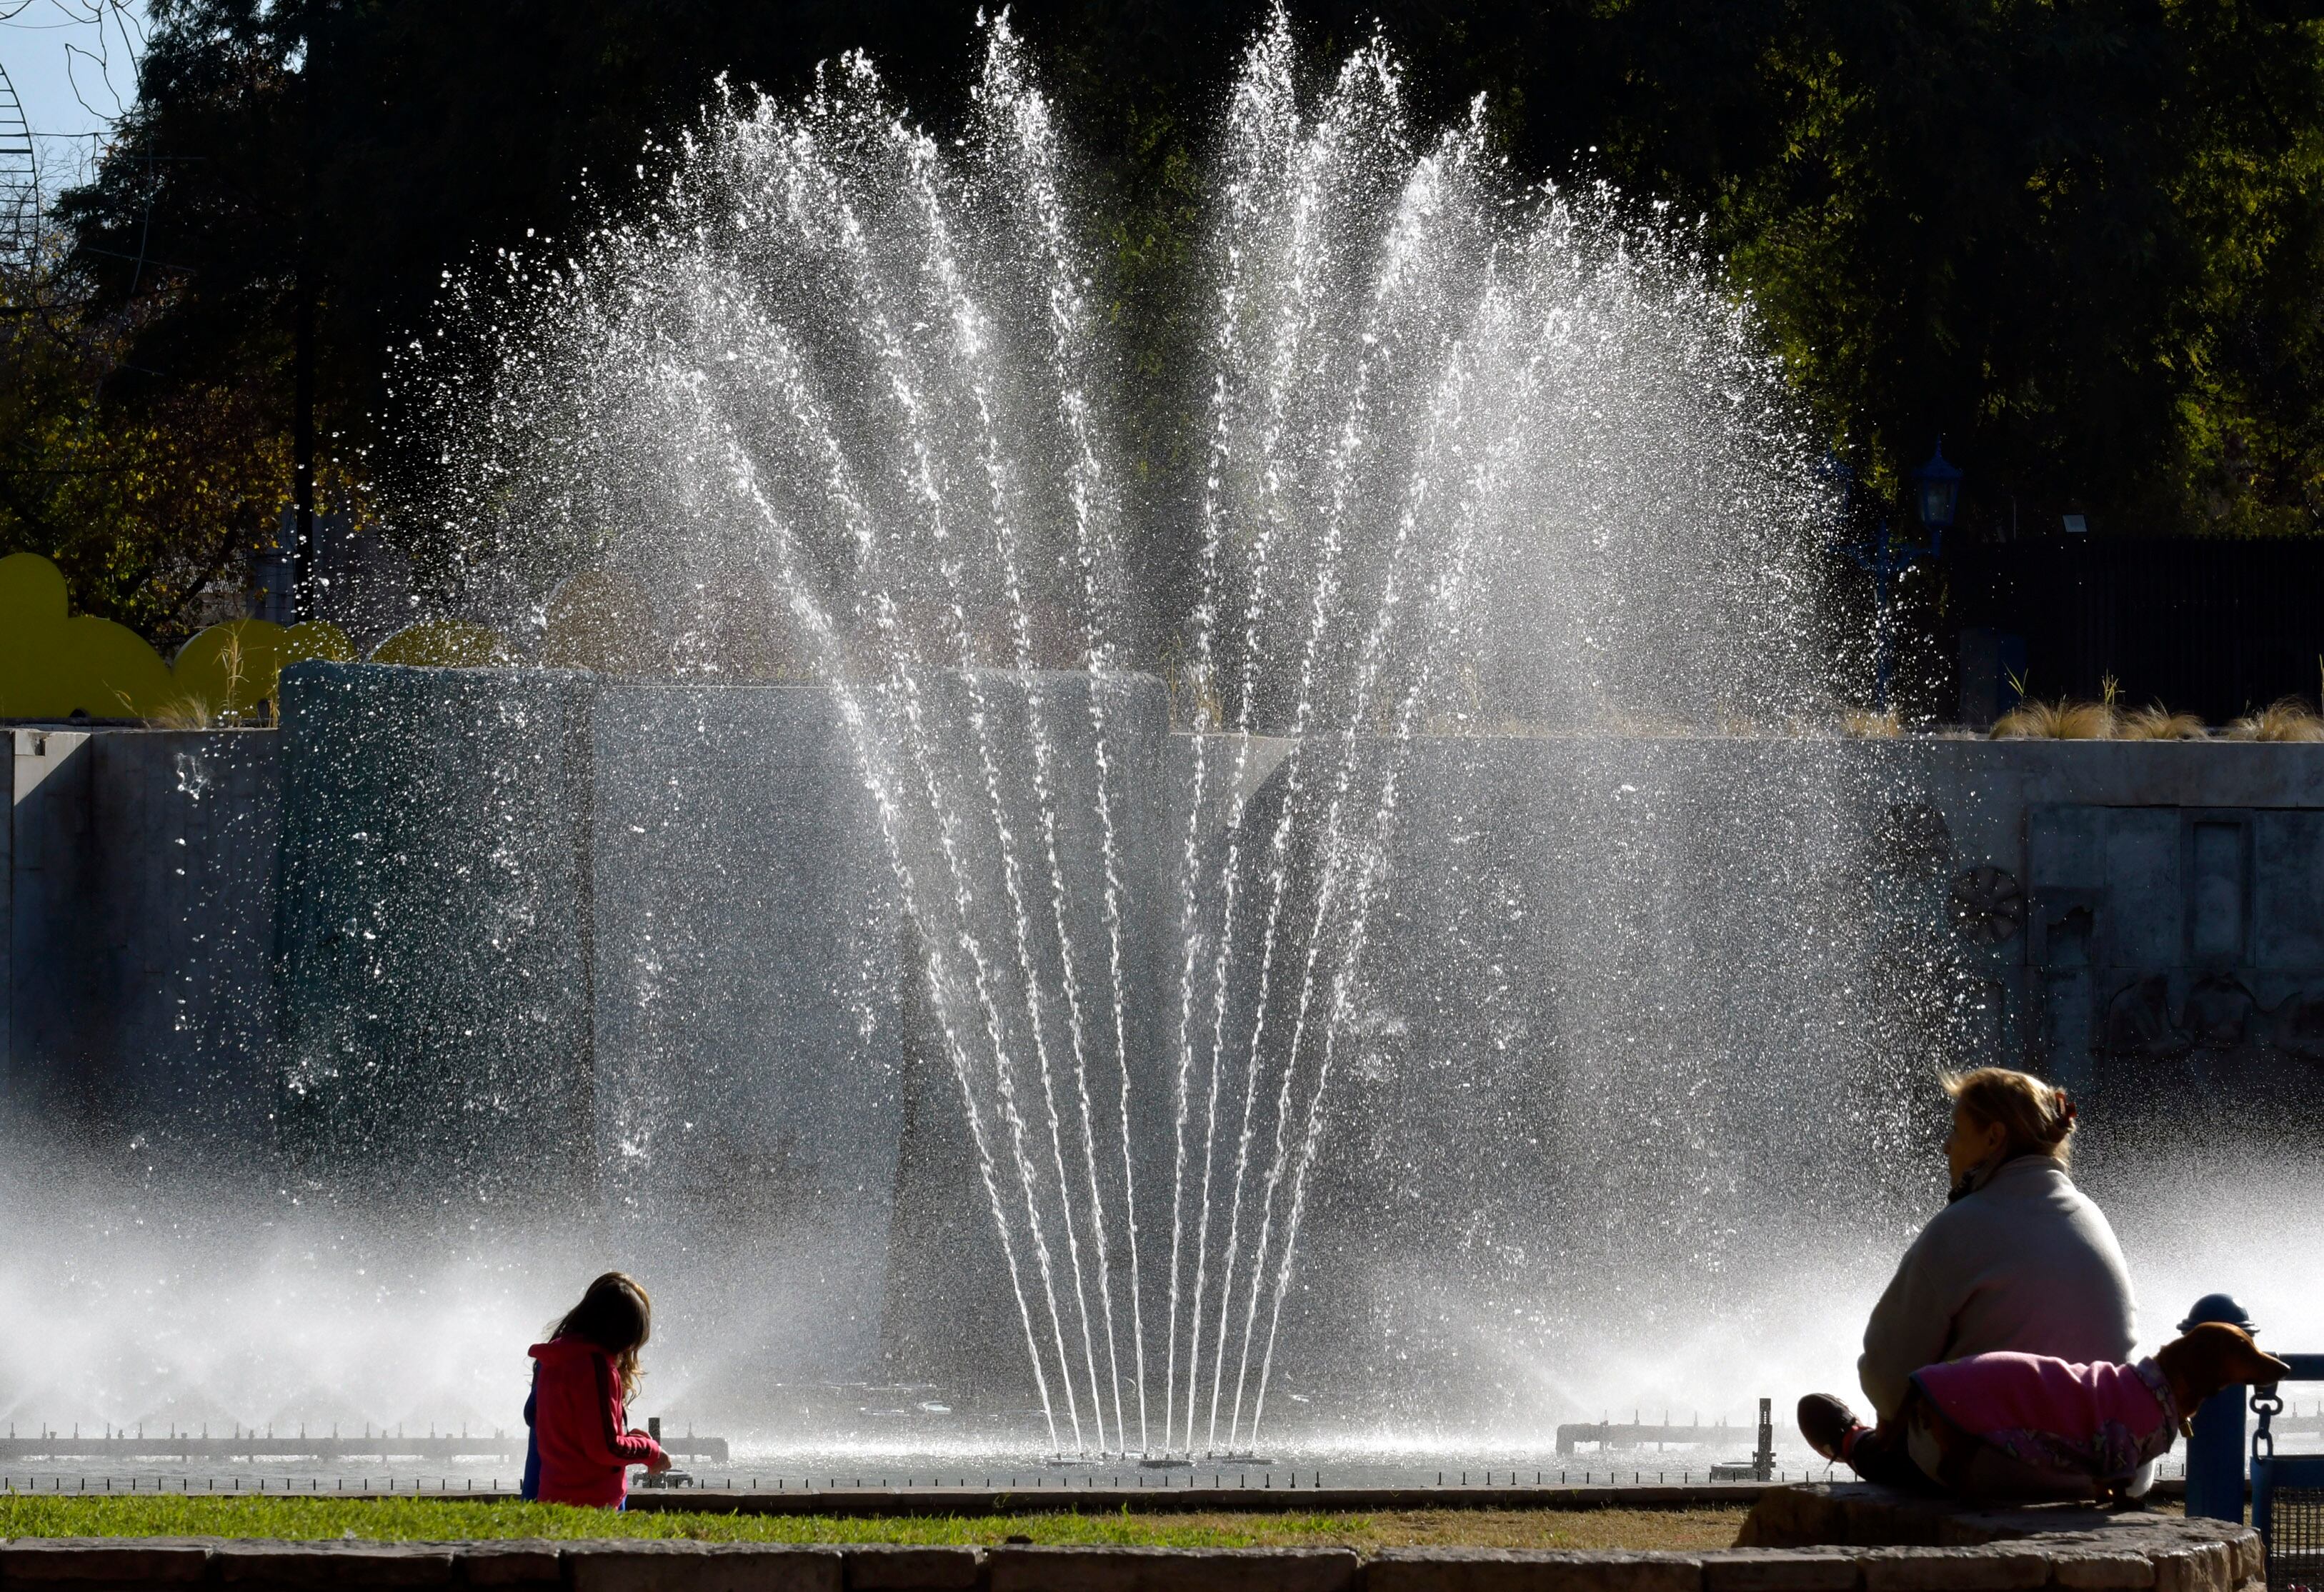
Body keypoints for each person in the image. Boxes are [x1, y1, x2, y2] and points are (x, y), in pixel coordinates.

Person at [1799, 1067, 2139, 1488]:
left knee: (1872, 1430)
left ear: (1994, 1138)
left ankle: (1855, 1444)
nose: (1946, 1147)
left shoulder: (1962, 1225)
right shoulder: (2093, 1217)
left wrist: (1894, 1426)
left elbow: (1887, 1375)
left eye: (1958, 1131)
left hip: (2004, 1472)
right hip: (2107, 1467)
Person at [520, 1271, 671, 1506]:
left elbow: (566, 1430)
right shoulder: (596, 1368)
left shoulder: (555, 1358)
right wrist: (649, 1449)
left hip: (550, 1495)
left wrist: (624, 1437)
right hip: (592, 1500)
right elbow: (603, 1448)